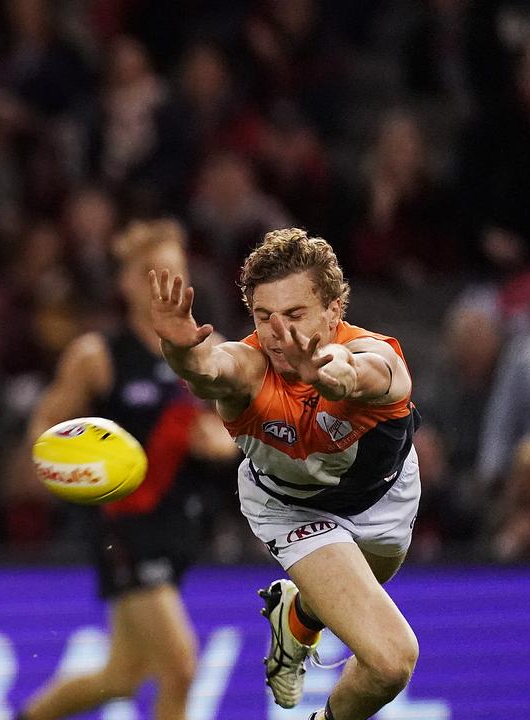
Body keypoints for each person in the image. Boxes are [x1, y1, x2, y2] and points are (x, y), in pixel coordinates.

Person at [150, 228, 421, 720]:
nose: (278, 332)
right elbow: (208, 367)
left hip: (385, 498)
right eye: (263, 316)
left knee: (361, 594)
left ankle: (295, 616)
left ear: (334, 310)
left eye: (294, 315)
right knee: (390, 661)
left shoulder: (378, 356)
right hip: (289, 507)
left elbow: (356, 372)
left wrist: (328, 374)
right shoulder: (249, 369)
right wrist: (179, 352)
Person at [18, 219, 237, 720]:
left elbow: (238, 431)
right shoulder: (98, 356)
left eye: (173, 273)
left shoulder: (209, 351)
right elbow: (45, 425)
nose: (162, 283)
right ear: (126, 283)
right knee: (181, 666)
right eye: (149, 273)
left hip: (181, 524)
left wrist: (220, 444)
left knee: (121, 676)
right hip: (124, 527)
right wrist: (64, 467)